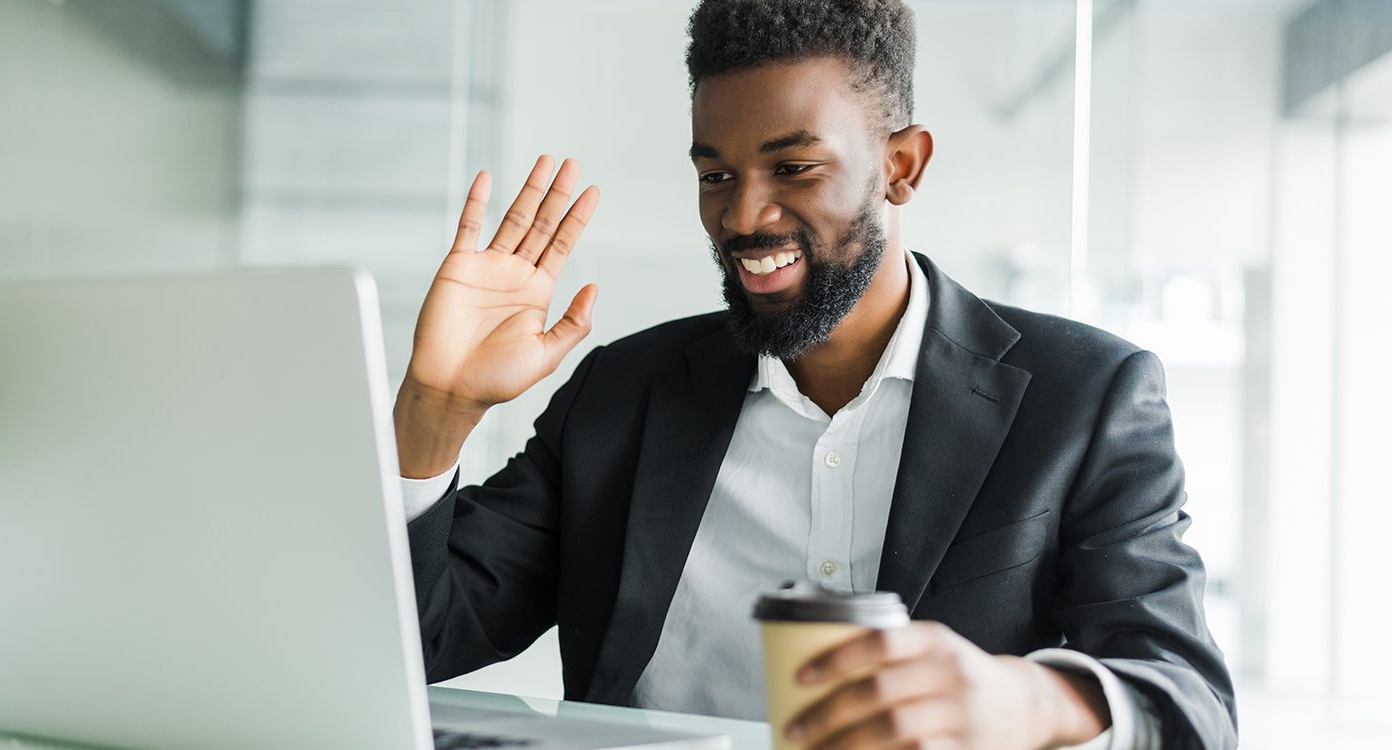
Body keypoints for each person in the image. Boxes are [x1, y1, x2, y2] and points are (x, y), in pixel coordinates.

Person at [392, 1, 1236, 748]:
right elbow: (424, 639)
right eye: (716, 174)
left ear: (901, 166)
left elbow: (1188, 702)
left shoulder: (1085, 395)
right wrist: (436, 411)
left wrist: (1026, 701)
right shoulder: (625, 391)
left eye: (794, 168)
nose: (743, 215)